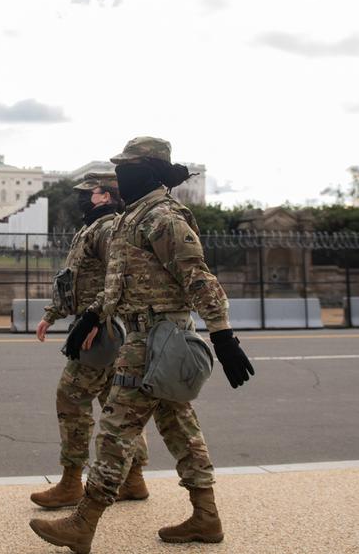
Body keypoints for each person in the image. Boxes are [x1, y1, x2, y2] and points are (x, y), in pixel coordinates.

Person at [29, 137, 255, 554]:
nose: (120, 174)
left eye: (126, 167)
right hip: (142, 333)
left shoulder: (163, 217)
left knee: (116, 429)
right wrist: (93, 315)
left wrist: (223, 335)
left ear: (147, 171)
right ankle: (206, 516)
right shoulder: (133, 218)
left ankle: (83, 523)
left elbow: (197, 276)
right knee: (179, 428)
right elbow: (119, 283)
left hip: (156, 339)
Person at [30, 172, 149, 510]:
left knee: (71, 399)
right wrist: (52, 315)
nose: (83, 198)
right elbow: (73, 281)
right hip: (96, 325)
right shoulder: (93, 227)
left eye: (89, 193)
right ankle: (134, 478)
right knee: (119, 406)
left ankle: (71, 482)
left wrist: (97, 318)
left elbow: (116, 278)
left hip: (99, 329)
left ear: (106, 196)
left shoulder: (108, 228)